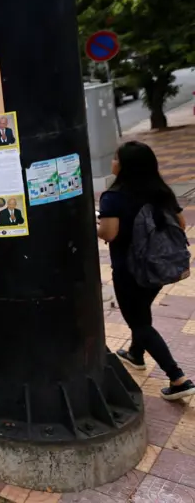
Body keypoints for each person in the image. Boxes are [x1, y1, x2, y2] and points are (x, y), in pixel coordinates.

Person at [98, 141, 195, 400]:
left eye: (116, 158)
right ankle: (135, 354)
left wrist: (94, 226)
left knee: (139, 322)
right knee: (141, 312)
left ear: (124, 165)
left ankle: (178, 379)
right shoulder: (160, 191)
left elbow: (109, 233)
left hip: (129, 270)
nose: (113, 162)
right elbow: (182, 222)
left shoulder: (113, 197)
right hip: (159, 267)